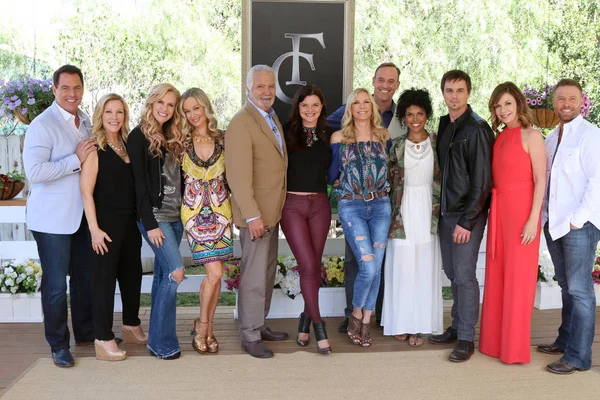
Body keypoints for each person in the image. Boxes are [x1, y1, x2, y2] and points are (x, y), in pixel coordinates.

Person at [23, 64, 96, 367]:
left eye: (77, 87)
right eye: (65, 88)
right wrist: (74, 160)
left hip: (81, 216)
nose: (71, 93)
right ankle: (58, 345)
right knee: (55, 285)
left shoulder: (87, 121)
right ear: (54, 90)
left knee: (83, 279)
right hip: (52, 221)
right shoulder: (42, 125)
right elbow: (36, 172)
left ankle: (86, 332)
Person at [327, 62, 402, 332]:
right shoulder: (339, 136)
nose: (361, 106)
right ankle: (355, 314)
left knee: (376, 266)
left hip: (381, 205)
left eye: (365, 103)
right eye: (356, 103)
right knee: (364, 265)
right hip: (352, 206)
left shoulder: (384, 136)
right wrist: (338, 177)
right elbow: (331, 171)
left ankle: (366, 321)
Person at [428, 70, 494, 363]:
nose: (453, 96)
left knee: (465, 275)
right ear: (442, 93)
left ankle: (467, 337)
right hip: (445, 212)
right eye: (449, 90)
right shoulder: (445, 125)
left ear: (469, 93)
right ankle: (456, 326)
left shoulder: (477, 129)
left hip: (468, 214)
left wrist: (467, 221)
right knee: (452, 273)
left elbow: (482, 181)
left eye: (459, 90)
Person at [478, 82, 546, 364]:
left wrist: (533, 220)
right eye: (498, 105)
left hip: (522, 214)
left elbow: (541, 180)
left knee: (518, 281)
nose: (503, 110)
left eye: (507, 103)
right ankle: (494, 344)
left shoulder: (533, 135)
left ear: (518, 102)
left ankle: (514, 348)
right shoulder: (499, 138)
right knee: (497, 277)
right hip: (500, 212)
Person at [225, 65, 289, 358]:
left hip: (271, 212)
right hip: (256, 216)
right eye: (260, 86)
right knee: (253, 277)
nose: (267, 92)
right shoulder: (241, 122)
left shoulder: (270, 116)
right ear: (248, 88)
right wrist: (252, 216)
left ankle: (259, 323)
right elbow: (237, 176)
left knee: (266, 272)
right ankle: (249, 335)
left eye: (271, 86)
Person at [536, 79, 600, 374]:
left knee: (580, 290)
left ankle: (578, 357)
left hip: (579, 226)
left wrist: (578, 219)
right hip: (555, 224)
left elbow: (597, 183)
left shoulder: (590, 136)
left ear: (581, 101)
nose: (565, 104)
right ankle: (564, 340)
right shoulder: (551, 138)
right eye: (560, 99)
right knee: (567, 287)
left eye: (571, 99)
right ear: (553, 102)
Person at [80, 93, 148, 361]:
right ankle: (102, 338)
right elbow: (86, 193)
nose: (114, 117)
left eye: (119, 112)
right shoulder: (94, 148)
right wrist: (94, 229)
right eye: (109, 111)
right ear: (100, 114)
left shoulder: (128, 144)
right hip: (105, 226)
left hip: (130, 224)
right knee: (104, 283)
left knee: (132, 276)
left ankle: (131, 325)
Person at [128, 83, 185, 360]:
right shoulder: (139, 136)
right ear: (151, 103)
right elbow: (139, 184)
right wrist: (149, 223)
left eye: (171, 104)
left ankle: (155, 341)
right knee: (176, 272)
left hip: (177, 217)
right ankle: (164, 344)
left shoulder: (172, 135)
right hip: (155, 219)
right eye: (160, 102)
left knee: (163, 275)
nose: (165, 108)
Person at [382, 88, 443, 347]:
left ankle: (419, 326)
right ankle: (402, 323)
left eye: (419, 113)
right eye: (409, 114)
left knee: (424, 267)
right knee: (403, 266)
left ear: (427, 115)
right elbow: (386, 180)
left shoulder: (438, 142)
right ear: (403, 117)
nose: (415, 118)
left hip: (429, 210)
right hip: (402, 211)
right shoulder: (395, 146)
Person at [179, 88, 233, 355]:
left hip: (222, 211)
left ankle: (208, 328)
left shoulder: (224, 139)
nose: (192, 115)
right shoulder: (179, 142)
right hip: (193, 212)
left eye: (196, 108)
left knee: (216, 274)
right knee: (215, 273)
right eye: (187, 111)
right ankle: (202, 326)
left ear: (205, 108)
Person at [281, 85, 333, 355]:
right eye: (305, 106)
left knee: (314, 266)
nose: (310, 110)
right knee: (308, 265)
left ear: (322, 106)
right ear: (297, 108)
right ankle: (319, 326)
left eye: (315, 105)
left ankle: (304, 321)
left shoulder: (330, 134)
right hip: (292, 206)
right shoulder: (285, 133)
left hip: (320, 206)